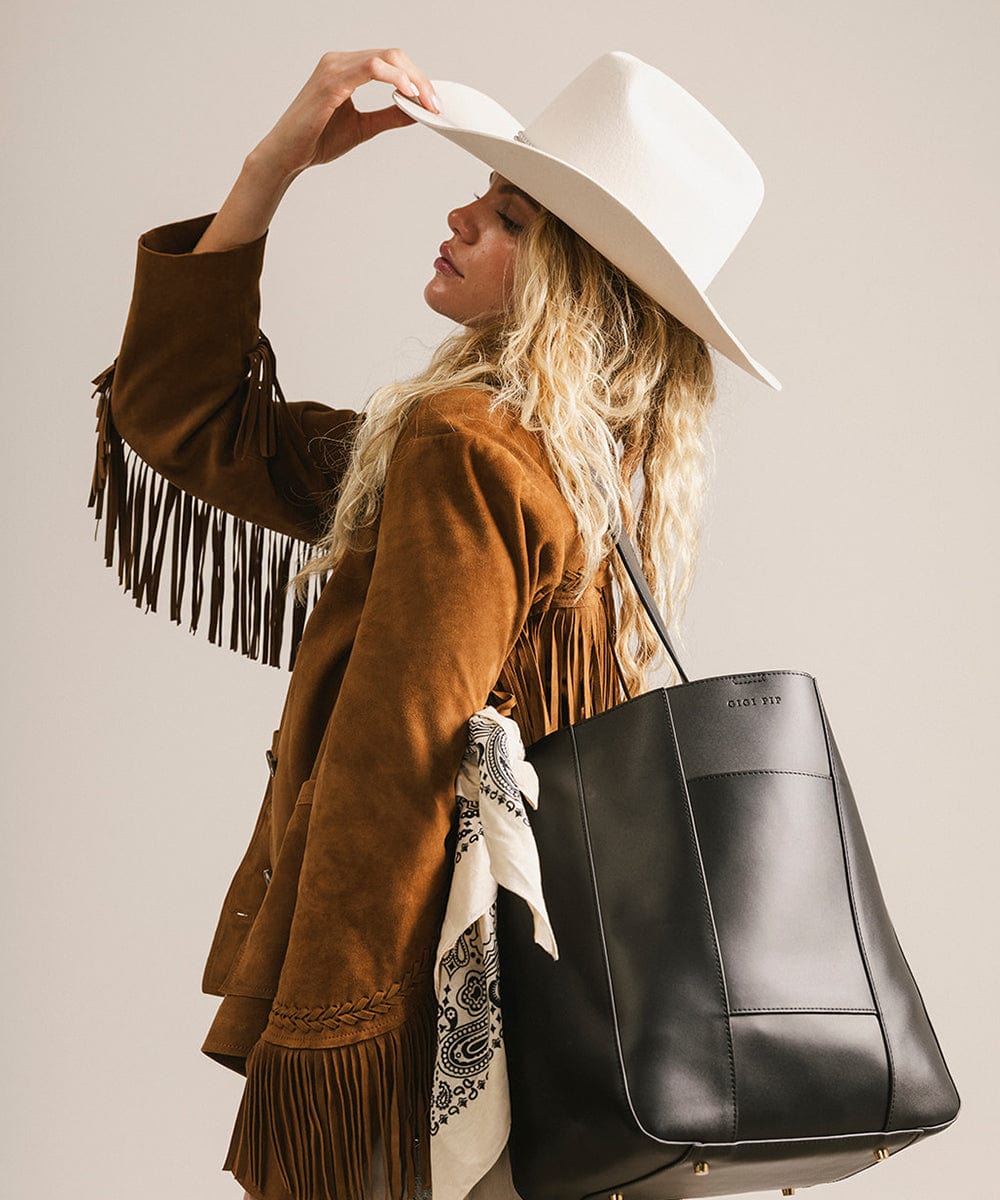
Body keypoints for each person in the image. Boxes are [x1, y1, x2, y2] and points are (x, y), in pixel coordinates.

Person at [87, 45, 779, 1200]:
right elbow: (198, 418)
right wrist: (269, 171)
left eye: (508, 217)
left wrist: (324, 1053)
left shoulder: (465, 446)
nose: (460, 215)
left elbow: (398, 760)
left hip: (426, 1022)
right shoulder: (587, 468)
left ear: (574, 279)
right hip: (549, 1014)